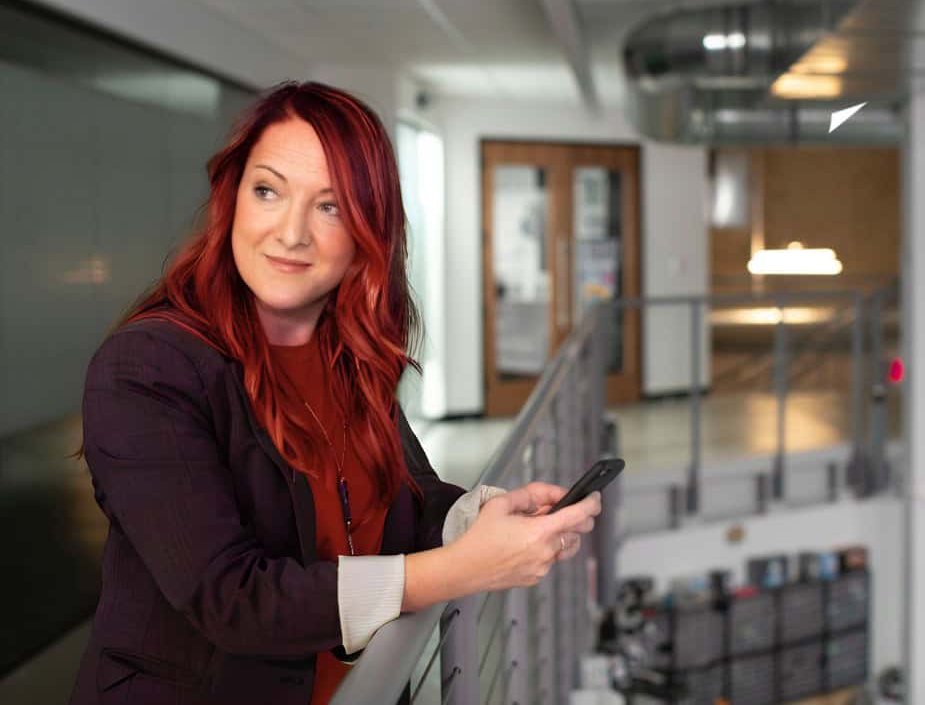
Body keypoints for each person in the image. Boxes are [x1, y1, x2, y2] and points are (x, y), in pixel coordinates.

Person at [66, 80, 602, 705]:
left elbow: (408, 498)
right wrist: (461, 568)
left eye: (331, 206)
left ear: (368, 231)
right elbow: (231, 599)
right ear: (231, 199)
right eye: (268, 191)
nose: (291, 233)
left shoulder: (346, 350)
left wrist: (481, 520)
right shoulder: (148, 367)